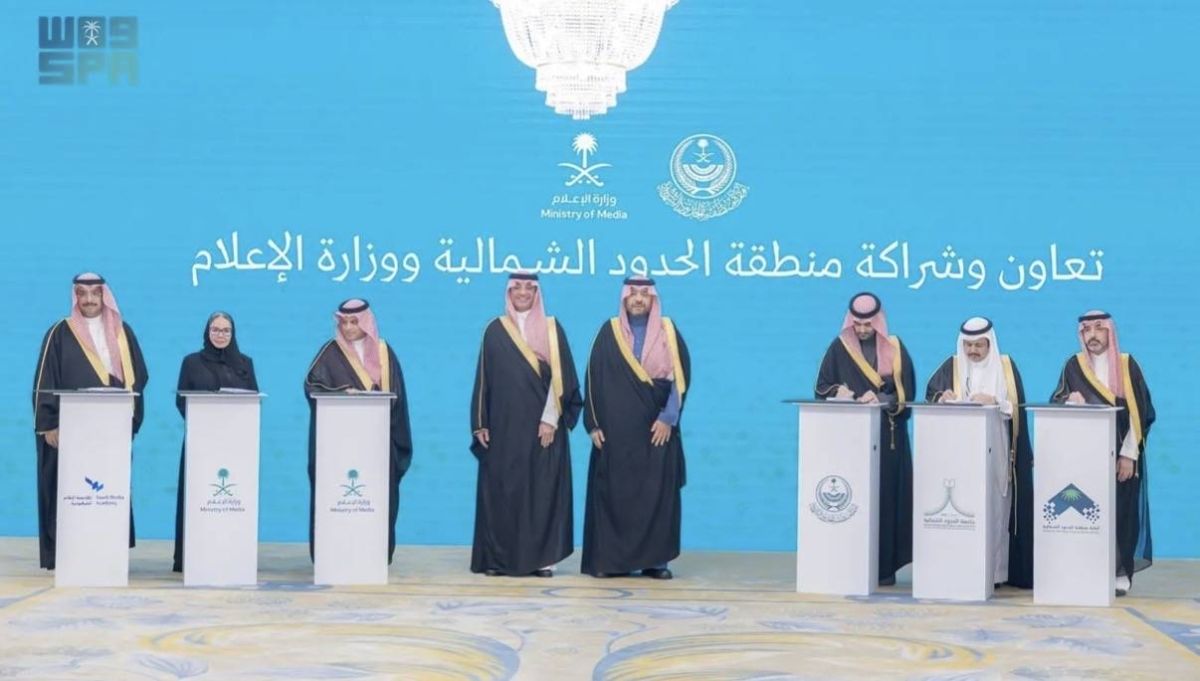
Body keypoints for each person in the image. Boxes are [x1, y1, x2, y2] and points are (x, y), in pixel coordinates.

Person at [32, 272, 149, 570]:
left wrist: (131, 419)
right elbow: (45, 378)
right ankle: (67, 552)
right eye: (82, 294)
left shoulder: (123, 332)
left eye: (94, 293)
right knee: (72, 490)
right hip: (70, 430)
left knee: (109, 488)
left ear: (103, 296)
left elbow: (139, 377)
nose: (88, 300)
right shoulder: (60, 332)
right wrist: (48, 424)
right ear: (75, 297)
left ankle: (107, 549)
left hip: (111, 428)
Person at [469, 273, 582, 577]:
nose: (522, 293)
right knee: (502, 491)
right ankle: (498, 559)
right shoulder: (494, 329)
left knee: (541, 492)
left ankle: (541, 560)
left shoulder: (552, 328)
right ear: (508, 292)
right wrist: (480, 423)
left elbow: (563, 379)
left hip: (543, 429)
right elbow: (483, 379)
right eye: (516, 288)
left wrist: (550, 420)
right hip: (503, 428)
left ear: (536, 293)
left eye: (528, 288)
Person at [581, 277, 690, 580]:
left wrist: (668, 418)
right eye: (633, 294)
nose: (639, 299)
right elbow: (592, 378)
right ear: (624, 298)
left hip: (656, 431)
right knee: (614, 495)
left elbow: (680, 379)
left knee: (656, 495)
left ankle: (656, 562)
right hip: (615, 435)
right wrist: (593, 424)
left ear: (653, 299)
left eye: (645, 294)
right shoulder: (608, 332)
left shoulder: (669, 331)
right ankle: (613, 562)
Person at [924, 316, 1034, 588]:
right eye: (968, 345)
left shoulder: (1005, 366)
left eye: (978, 345)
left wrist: (995, 401)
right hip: (960, 452)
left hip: (997, 447)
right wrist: (942, 398)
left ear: (989, 344)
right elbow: (931, 394)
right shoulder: (951, 365)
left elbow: (1016, 408)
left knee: (995, 507)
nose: (972, 351)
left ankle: (994, 573)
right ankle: (962, 567)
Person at [1051, 310, 1155, 596]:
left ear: (1110, 331)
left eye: (1099, 328)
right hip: (1084, 458)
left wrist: (1129, 455)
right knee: (1086, 514)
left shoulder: (1127, 364)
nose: (1092, 335)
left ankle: (1120, 572)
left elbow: (1140, 411)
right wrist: (1069, 400)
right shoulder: (1073, 365)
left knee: (1121, 514)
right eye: (1087, 330)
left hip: (1121, 456)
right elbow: (1056, 399)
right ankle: (1086, 569)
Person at [814, 292, 915, 586]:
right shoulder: (839, 348)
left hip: (888, 438)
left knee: (885, 499)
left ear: (878, 323)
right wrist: (841, 392)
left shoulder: (895, 348)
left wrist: (881, 398)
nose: (861, 330)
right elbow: (821, 388)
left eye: (867, 324)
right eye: (857, 324)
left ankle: (884, 569)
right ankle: (850, 566)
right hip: (851, 442)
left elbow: (906, 393)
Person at [304, 299, 413, 563]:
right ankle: (333, 555)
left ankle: (375, 555)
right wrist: (342, 393)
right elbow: (310, 386)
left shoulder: (385, 352)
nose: (349, 328)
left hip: (377, 443)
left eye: (354, 322)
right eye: (344, 322)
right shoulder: (330, 351)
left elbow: (398, 397)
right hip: (339, 446)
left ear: (366, 322)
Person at [172, 311, 259, 572]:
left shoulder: (245, 363)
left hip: (236, 446)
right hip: (201, 444)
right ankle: (191, 557)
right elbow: (181, 400)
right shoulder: (191, 362)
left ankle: (233, 555)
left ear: (233, 334)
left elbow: (253, 398)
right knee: (198, 499)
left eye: (226, 330)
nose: (220, 335)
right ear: (207, 332)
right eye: (216, 330)